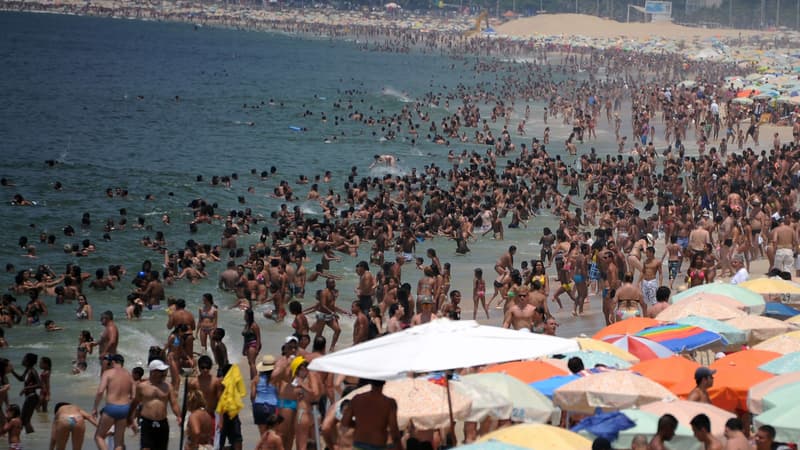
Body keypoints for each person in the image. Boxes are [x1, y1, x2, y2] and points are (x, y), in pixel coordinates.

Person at [130, 359, 182, 450]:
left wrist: (179, 416)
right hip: (147, 422)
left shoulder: (168, 386)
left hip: (162, 422)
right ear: (153, 372)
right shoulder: (142, 386)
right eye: (161, 371)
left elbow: (174, 403)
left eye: (164, 371)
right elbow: (135, 404)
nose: (164, 373)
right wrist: (130, 419)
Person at [342, 379, 402, 450]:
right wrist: (399, 447)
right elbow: (394, 430)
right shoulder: (389, 403)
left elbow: (345, 421)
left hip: (359, 443)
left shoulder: (357, 399)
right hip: (378, 444)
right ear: (384, 382)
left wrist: (360, 425)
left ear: (370, 382)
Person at [92, 354, 135, 450]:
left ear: (113, 362)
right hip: (125, 408)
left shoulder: (108, 373)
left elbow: (100, 391)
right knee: (119, 443)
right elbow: (133, 396)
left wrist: (95, 407)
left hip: (111, 407)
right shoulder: (128, 375)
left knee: (99, 437)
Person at [251, 355, 279, 436]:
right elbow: (279, 393)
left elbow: (252, 395)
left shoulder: (256, 379)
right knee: (273, 434)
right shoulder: (276, 379)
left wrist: (254, 405)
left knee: (263, 435)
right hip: (272, 406)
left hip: (259, 406)